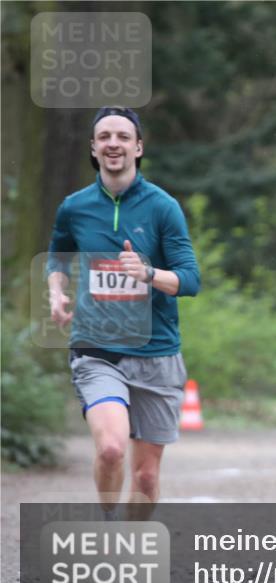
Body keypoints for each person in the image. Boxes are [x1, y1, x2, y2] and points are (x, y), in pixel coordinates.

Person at [47, 107, 201, 521]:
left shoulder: (163, 208)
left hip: (158, 352)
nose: (113, 143)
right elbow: (58, 257)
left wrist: (148, 273)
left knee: (147, 478)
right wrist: (56, 291)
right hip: (98, 349)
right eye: (104, 137)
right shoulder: (74, 208)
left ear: (138, 146)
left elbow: (190, 279)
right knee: (112, 448)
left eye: (121, 136)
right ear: (94, 149)